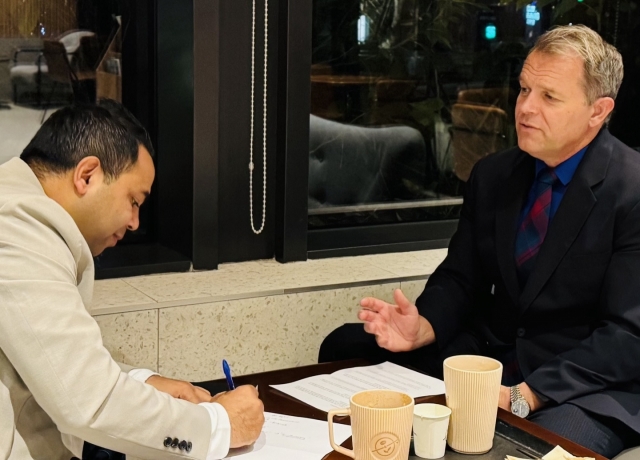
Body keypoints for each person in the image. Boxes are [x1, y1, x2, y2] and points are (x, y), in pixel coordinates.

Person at [319, 25, 640, 457]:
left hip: (582, 382)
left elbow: (627, 336)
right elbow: (460, 276)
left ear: (598, 111)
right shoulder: (495, 173)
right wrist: (424, 326)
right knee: (345, 345)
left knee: (535, 446)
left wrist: (526, 394)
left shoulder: (632, 190)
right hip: (488, 357)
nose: (524, 107)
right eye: (525, 89)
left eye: (549, 97)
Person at [0, 100, 264, 460]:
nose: (135, 222)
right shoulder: (15, 228)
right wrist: (219, 426)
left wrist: (144, 382)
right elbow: (87, 402)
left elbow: (54, 363)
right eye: (134, 201)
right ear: (87, 175)